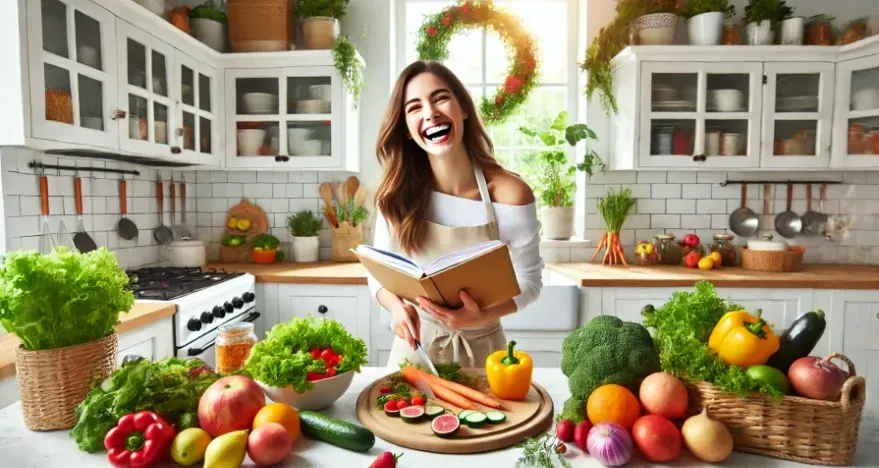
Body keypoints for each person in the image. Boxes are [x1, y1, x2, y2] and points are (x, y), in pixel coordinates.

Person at [368, 60, 544, 369]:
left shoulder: (510, 195)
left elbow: (530, 282)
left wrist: (483, 314)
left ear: (462, 108)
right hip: (414, 353)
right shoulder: (396, 195)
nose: (430, 113)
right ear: (408, 131)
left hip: (485, 355)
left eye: (439, 98)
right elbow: (377, 273)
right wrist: (396, 309)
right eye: (414, 107)